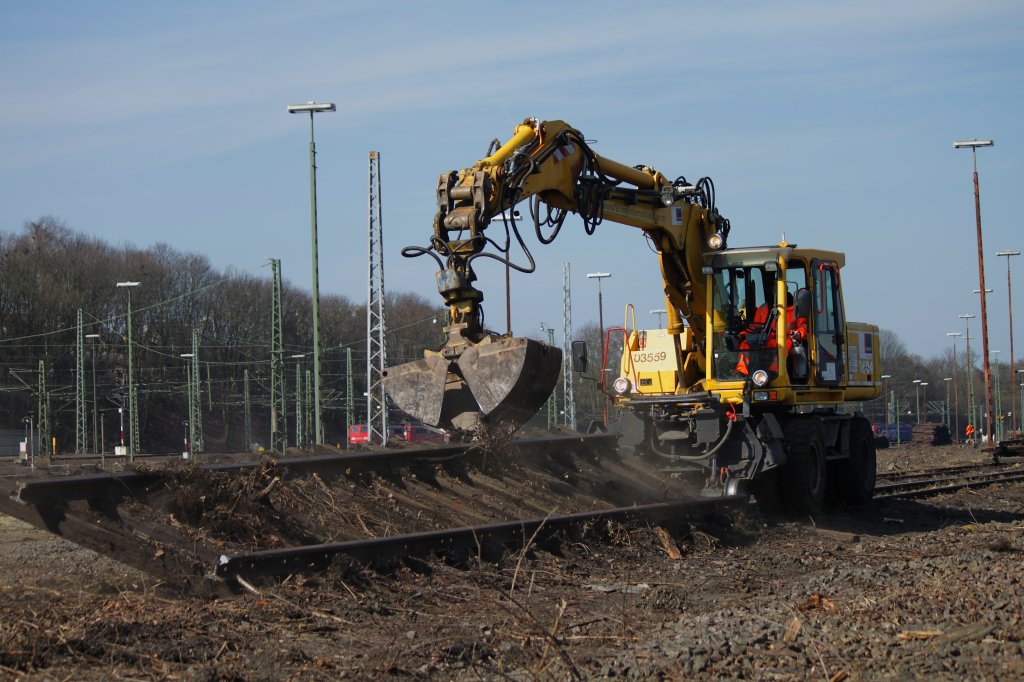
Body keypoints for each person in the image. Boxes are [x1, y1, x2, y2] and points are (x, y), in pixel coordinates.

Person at [736, 294, 808, 377]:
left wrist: (798, 333)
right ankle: (742, 372)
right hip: (764, 339)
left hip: (785, 338)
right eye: (775, 287)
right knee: (745, 344)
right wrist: (742, 335)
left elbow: (803, 326)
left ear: (786, 288)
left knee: (781, 345)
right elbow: (754, 327)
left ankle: (773, 373)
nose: (776, 289)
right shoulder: (763, 308)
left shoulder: (796, 309)